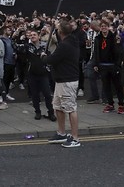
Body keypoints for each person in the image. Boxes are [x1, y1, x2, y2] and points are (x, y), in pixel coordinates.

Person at [44, 19, 81, 148]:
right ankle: (61, 133)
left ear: (60, 32)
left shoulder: (65, 46)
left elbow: (51, 60)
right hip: (61, 80)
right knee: (58, 107)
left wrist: (44, 57)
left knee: (70, 108)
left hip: (68, 81)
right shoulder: (71, 41)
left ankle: (75, 138)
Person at [21, 28, 54, 121]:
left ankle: (51, 112)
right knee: (35, 95)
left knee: (47, 94)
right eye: (31, 35)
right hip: (32, 74)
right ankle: (37, 112)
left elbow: (50, 58)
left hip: (43, 74)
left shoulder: (45, 46)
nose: (32, 37)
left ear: (39, 36)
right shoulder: (28, 46)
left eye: (34, 35)